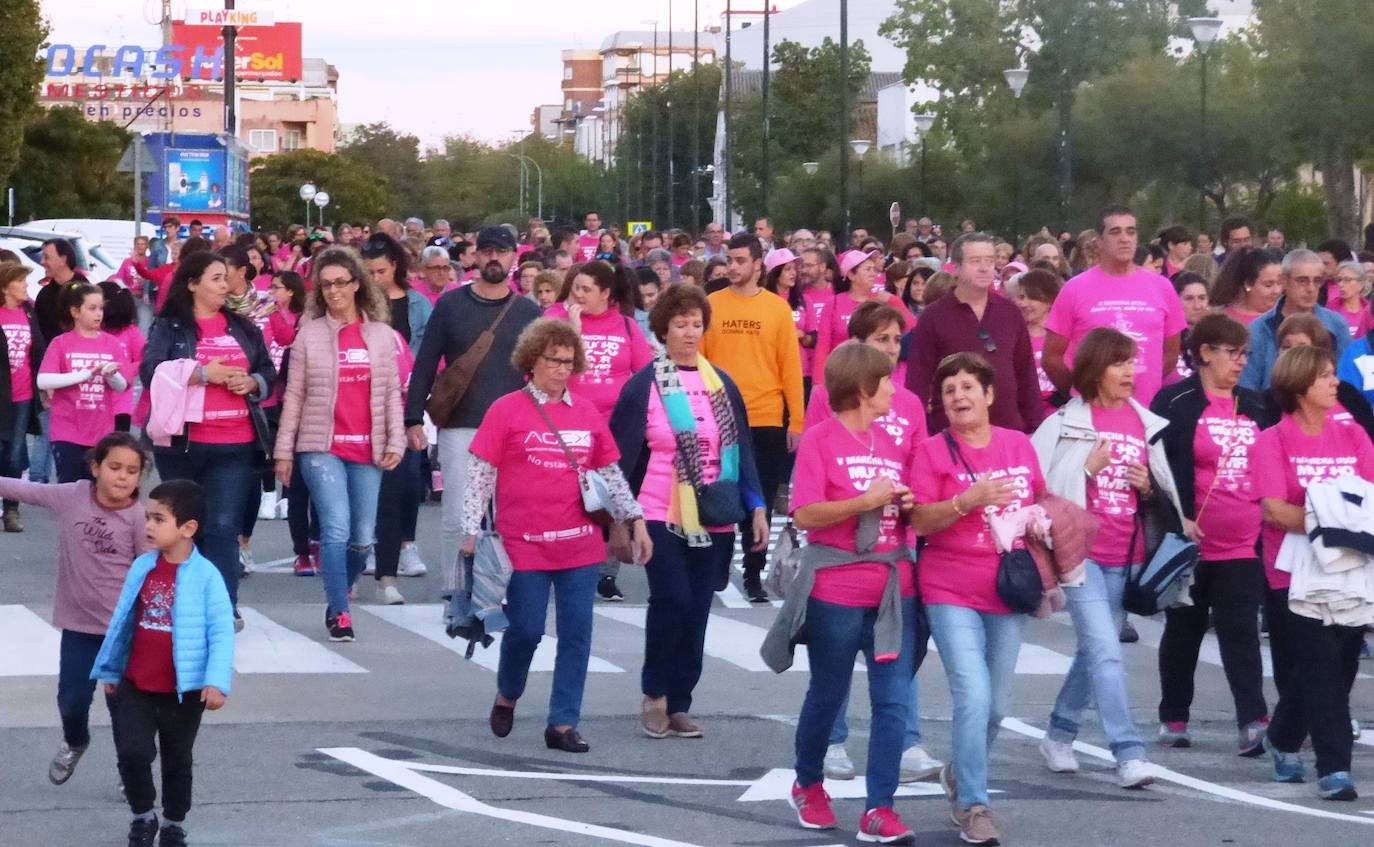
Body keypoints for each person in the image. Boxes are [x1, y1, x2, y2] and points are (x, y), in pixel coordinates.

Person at [466, 319, 647, 753]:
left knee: (577, 635)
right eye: (554, 360)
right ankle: (508, 693)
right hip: (523, 544)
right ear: (532, 360)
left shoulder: (585, 412)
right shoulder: (506, 409)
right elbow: (480, 473)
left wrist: (635, 519)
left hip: (579, 544)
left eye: (569, 362)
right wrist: (469, 529)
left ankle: (563, 723)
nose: (563, 369)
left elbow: (609, 474)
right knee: (526, 631)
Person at [1032, 328, 1189, 789]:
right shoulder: (1064, 422)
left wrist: (1148, 488)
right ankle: (1128, 752)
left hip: (1129, 554)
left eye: (1132, 362)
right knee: (1105, 650)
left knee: (1094, 651)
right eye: (1120, 363)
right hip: (1081, 557)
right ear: (1095, 369)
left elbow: (1161, 493)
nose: (1130, 371)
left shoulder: (1144, 421)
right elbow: (1037, 488)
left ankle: (1059, 733)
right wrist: (1085, 469)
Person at [609, 284, 766, 739]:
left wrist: (756, 504)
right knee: (672, 599)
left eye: (697, 324)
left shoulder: (722, 384)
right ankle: (655, 694)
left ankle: (680, 702)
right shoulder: (643, 385)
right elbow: (617, 457)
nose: (690, 333)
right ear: (663, 330)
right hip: (658, 510)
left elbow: (742, 450)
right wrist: (623, 518)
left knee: (697, 608)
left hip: (715, 510)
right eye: (680, 324)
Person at [784, 342, 922, 845]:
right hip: (836, 588)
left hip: (893, 589)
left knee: (893, 703)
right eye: (885, 381)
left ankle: (879, 809)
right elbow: (805, 514)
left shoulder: (890, 442)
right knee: (828, 692)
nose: (893, 389)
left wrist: (907, 502)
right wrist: (864, 501)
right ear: (863, 389)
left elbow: (900, 506)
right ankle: (808, 783)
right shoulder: (820, 440)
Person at [909, 352, 1046, 846]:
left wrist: (1040, 521)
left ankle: (958, 772)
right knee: (973, 693)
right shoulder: (932, 452)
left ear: (989, 394)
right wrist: (965, 501)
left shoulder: (1018, 444)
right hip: (949, 586)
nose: (958, 396)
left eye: (968, 387)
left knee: (997, 706)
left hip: (1008, 586)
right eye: (949, 391)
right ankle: (973, 804)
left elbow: (1038, 498)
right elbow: (919, 521)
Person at [802, 301, 941, 784]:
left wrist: (912, 497)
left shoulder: (907, 402)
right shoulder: (831, 396)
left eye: (897, 340)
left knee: (896, 666)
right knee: (833, 666)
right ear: (857, 345)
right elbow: (815, 472)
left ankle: (907, 743)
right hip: (840, 557)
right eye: (881, 339)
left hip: (895, 548)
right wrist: (862, 499)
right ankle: (832, 742)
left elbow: (920, 464)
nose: (891, 348)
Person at [1150, 314, 1275, 753]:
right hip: (1190, 543)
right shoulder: (1174, 401)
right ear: (1204, 353)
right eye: (1232, 352)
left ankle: (1253, 720)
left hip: (1244, 542)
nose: (1241, 362)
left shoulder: (1256, 404)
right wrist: (1175, 518)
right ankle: (1174, 716)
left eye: (1246, 354)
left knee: (1240, 631)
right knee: (1184, 630)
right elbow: (1156, 468)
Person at [1254, 345, 1374, 800]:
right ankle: (1335, 768)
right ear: (1300, 386)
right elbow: (1274, 510)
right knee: (1321, 667)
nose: (1334, 382)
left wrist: (1326, 516)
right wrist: (1335, 518)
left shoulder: (1352, 435)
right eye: (1324, 376)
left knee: (1339, 665)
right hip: (1294, 573)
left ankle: (1282, 738)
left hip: (1350, 569)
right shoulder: (1273, 440)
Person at [0, 432, 148, 787]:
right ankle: (75, 741)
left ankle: (131, 771)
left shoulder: (139, 518)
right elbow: (25, 490)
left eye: (132, 471)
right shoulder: (73, 496)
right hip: (79, 628)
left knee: (123, 710)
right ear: (95, 468)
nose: (122, 477)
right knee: (72, 701)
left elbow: (150, 573)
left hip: (123, 634)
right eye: (115, 467)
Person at [273, 247, 406, 641]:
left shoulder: (381, 335)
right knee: (335, 527)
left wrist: (396, 439)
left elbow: (391, 393)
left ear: (357, 284)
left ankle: (338, 594)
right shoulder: (309, 334)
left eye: (341, 283)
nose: (333, 291)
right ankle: (342, 613)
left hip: (368, 447)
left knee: (362, 537)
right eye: (326, 284)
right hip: (320, 445)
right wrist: (284, 451)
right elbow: (294, 395)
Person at [91, 479, 233, 847]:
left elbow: (221, 632)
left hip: (183, 690)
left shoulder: (207, 576)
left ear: (188, 528)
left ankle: (173, 823)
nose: (149, 526)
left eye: (159, 519)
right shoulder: (142, 566)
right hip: (136, 682)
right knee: (132, 752)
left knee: (177, 759)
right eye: (148, 518)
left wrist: (216, 681)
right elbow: (123, 621)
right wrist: (111, 667)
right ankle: (143, 815)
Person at [141, 251, 276, 629]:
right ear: (192, 283)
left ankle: (223, 607)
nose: (224, 285)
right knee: (182, 528)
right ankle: (184, 604)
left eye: (225, 278)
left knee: (222, 527)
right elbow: (150, 371)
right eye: (216, 278)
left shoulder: (242, 327)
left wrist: (252, 382)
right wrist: (201, 373)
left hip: (235, 444)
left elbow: (267, 370)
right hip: (181, 445)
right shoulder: (169, 327)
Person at [406, 226, 542, 600]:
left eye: (501, 251)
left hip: (514, 431)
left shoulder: (529, 312)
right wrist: (413, 418)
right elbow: (426, 362)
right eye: (487, 251)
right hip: (461, 425)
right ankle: (455, 589)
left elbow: (541, 373)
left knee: (511, 516)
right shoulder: (451, 305)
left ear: (514, 258)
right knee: (456, 516)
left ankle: (506, 586)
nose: (494, 257)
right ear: (475, 257)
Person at [701, 232, 805, 602]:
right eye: (729, 260)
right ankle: (718, 564)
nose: (732, 266)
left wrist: (796, 421)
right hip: (720, 416)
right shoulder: (711, 304)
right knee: (719, 493)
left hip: (766, 416)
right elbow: (700, 363)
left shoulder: (776, 309)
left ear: (758, 265)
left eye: (741, 260)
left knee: (759, 498)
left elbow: (790, 368)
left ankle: (754, 574)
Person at [1042, 206, 1186, 408]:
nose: (1125, 238)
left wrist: (1146, 384)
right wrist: (1081, 392)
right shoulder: (1074, 289)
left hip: (1146, 412)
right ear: (1099, 240)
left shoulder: (1162, 287)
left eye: (1131, 231)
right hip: (1090, 411)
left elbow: (1170, 354)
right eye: (1115, 232)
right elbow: (1051, 358)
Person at [907, 233, 1043, 434]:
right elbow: (918, 382)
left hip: (1008, 433)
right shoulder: (933, 316)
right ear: (956, 267)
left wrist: (1036, 428)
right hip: (951, 435)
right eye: (975, 261)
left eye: (989, 261)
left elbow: (1026, 375)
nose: (984, 268)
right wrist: (917, 434)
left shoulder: (1010, 312)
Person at [37, 282, 131, 482]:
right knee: (70, 487)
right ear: (75, 312)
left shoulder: (111, 343)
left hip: (101, 431)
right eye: (92, 308)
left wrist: (111, 375)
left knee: (96, 489)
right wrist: (85, 374)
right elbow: (43, 380)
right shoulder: (60, 343)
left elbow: (121, 386)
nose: (98, 314)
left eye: (101, 308)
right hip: (67, 429)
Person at [1239, 249, 1350, 390]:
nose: (1311, 288)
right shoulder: (1258, 330)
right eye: (1302, 281)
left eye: (1317, 281)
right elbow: (1247, 389)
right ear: (1284, 281)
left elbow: (1346, 384)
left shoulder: (1337, 325)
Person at [814, 249, 914, 383]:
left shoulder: (882, 302)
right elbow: (823, 345)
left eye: (874, 269)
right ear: (851, 275)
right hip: (841, 375)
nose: (874, 273)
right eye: (868, 269)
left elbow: (913, 329)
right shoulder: (834, 303)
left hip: (875, 375)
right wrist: (818, 382)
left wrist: (894, 301)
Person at [0, 262, 44, 532]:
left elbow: (38, 349)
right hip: (1, 395)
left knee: (15, 454)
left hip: (23, 395)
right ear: (5, 286)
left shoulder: (28, 311)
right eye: (21, 280)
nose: (26, 285)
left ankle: (11, 509)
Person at [1009, 268, 1063, 416]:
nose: (1023, 304)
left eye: (1032, 297)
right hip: (1025, 414)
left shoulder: (1063, 337)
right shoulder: (1013, 336)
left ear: (1050, 301)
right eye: (1021, 297)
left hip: (1059, 413)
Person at [97, 282, 145, 433]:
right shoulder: (94, 330)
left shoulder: (131, 331)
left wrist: (125, 371)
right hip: (95, 401)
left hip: (121, 403)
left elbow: (143, 359)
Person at [1208, 247, 1283, 325]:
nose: (1277, 290)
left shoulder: (1286, 318)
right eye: (1268, 285)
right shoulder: (1219, 319)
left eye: (1280, 283)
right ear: (1248, 283)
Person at [1328, 261, 1373, 339]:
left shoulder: (1370, 310)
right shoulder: (1331, 308)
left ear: (1361, 284)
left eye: (1347, 280)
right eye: (1339, 280)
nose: (1341, 284)